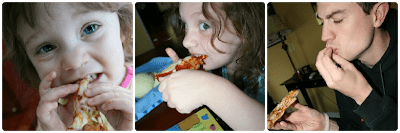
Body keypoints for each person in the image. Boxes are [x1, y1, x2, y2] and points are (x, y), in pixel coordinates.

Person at [2, 2, 133, 131]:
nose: (74, 62)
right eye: (47, 48)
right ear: (30, 65)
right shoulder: (51, 119)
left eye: (90, 28)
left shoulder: (148, 89)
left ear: (122, 28)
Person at [268, 2, 397, 131]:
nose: (324, 36)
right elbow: (357, 127)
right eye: (322, 22)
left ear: (378, 14)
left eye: (337, 20)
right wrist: (325, 125)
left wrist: (362, 95)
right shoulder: (344, 68)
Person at [158, 2, 265, 130]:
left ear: (245, 28)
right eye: (186, 25)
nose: (186, 42)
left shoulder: (264, 76)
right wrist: (189, 77)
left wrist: (208, 89)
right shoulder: (214, 67)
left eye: (205, 26)